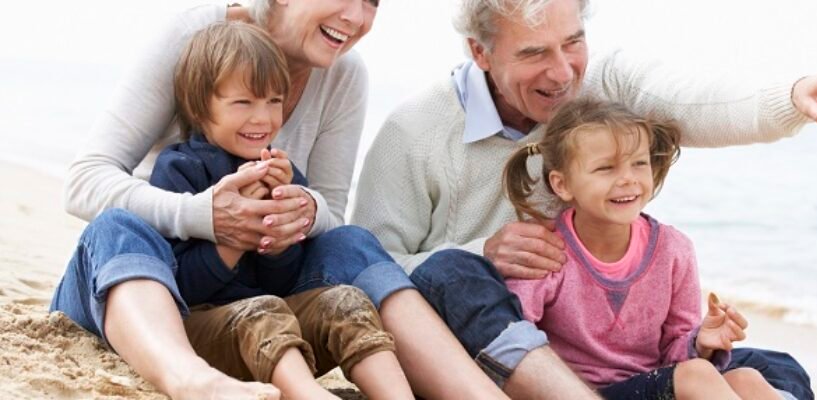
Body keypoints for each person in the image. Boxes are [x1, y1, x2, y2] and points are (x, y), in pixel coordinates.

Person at [351, 0, 817, 398]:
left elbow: (692, 100)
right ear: (480, 52)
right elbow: (368, 270)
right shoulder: (414, 131)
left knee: (775, 370)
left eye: (573, 43)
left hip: (622, 367)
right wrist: (480, 252)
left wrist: (792, 98)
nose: (562, 73)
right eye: (534, 53)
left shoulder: (601, 85)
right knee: (453, 270)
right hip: (498, 341)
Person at [51, 1, 508, 399]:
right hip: (140, 294)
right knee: (117, 226)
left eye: (372, 1)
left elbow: (326, 215)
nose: (357, 16)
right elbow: (84, 181)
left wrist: (299, 216)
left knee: (349, 240)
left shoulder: (344, 74)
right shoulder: (193, 41)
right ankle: (190, 381)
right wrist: (210, 217)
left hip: (254, 305)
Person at [142, 21, 414, 400]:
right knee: (263, 310)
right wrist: (237, 237)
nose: (263, 118)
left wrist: (278, 241)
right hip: (204, 329)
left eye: (274, 101)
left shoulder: (281, 174)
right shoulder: (180, 169)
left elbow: (282, 281)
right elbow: (179, 286)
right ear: (201, 108)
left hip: (276, 336)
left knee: (346, 300)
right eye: (244, 102)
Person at [502, 97, 782, 399]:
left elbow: (675, 356)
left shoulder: (673, 250)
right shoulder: (544, 250)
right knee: (699, 375)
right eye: (606, 168)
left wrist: (701, 342)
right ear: (562, 184)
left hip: (651, 386)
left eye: (639, 163)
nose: (628, 179)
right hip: (576, 393)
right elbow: (517, 344)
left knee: (748, 379)